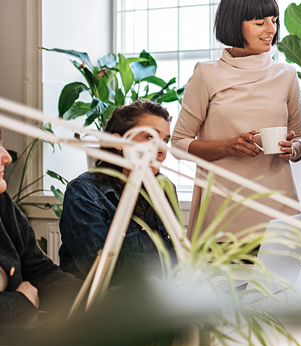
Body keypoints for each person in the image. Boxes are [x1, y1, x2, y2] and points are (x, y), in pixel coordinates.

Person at [173, 0, 301, 234]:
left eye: (274, 20)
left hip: (280, 213)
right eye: (260, 23)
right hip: (223, 215)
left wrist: (293, 149)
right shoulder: (206, 74)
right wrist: (227, 146)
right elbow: (178, 143)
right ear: (234, 24)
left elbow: (300, 138)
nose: (271, 30)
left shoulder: (286, 75)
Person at [59, 100, 177, 281]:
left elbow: (178, 259)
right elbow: (102, 269)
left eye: (165, 140)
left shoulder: (164, 188)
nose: (161, 150)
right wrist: (160, 264)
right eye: (149, 137)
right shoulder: (85, 193)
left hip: (157, 298)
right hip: (102, 304)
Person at [0, 129, 80, 327]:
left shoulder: (3, 203)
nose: (7, 157)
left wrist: (96, 298)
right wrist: (22, 302)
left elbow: (40, 272)